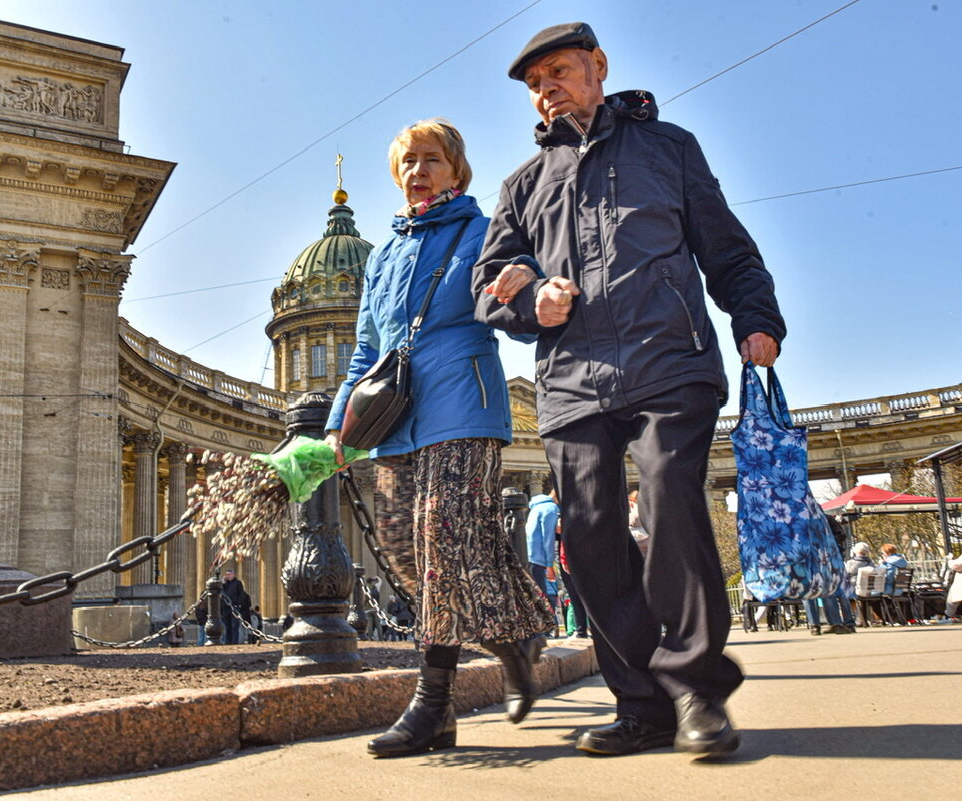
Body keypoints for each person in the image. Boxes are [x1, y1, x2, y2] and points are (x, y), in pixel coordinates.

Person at [473, 22, 785, 757]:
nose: (546, 88)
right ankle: (639, 703)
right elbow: (489, 286)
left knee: (674, 502)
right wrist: (526, 304)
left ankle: (696, 693)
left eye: (557, 71)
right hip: (570, 381)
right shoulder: (520, 184)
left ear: (598, 66)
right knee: (588, 535)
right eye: (534, 82)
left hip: (667, 359)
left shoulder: (668, 147)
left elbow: (725, 245)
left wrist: (755, 315)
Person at [324, 118, 555, 758]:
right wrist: (339, 424)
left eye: (432, 159)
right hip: (392, 420)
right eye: (408, 162)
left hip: (464, 409)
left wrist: (527, 294)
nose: (418, 171)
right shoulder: (383, 254)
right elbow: (366, 349)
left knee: (441, 539)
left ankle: (432, 707)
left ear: (456, 169)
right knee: (406, 552)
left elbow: (514, 305)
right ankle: (518, 637)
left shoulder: (482, 232)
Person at [526, 490, 560, 624]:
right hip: (539, 557)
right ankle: (543, 627)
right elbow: (548, 539)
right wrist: (549, 564)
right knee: (542, 595)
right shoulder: (551, 509)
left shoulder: (537, 506)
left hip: (529, 554)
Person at [220, 569, 244, 645]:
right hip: (225, 608)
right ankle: (227, 642)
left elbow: (241, 594)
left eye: (229, 574)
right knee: (227, 627)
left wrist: (238, 604)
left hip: (234, 607)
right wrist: (223, 584)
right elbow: (221, 594)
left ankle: (234, 642)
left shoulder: (238, 583)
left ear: (233, 575)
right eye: (226, 574)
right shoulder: (225, 584)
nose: (227, 576)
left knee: (234, 626)